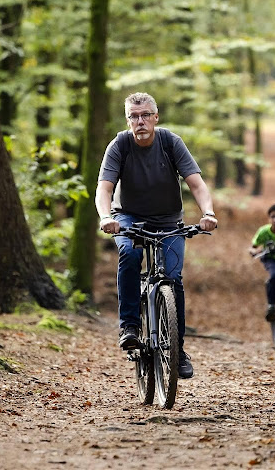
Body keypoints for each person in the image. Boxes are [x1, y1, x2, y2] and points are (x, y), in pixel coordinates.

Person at [97, 92, 217, 379]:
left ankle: (177, 350)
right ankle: (129, 326)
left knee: (173, 280)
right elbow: (104, 189)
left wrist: (208, 213)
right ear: (128, 120)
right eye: (134, 117)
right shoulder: (120, 145)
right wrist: (106, 217)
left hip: (168, 220)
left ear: (155, 117)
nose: (140, 121)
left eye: (145, 115)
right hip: (128, 218)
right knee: (130, 253)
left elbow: (197, 185)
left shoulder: (170, 142)